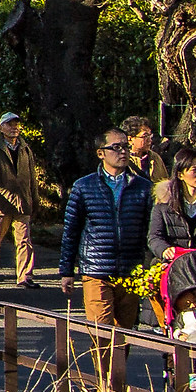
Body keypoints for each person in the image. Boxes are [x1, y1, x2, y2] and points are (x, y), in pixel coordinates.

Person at [61, 126, 153, 334]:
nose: (123, 152)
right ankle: (103, 359)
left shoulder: (143, 187)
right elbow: (71, 231)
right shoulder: (84, 186)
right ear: (100, 153)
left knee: (125, 333)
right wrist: (66, 271)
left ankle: (118, 359)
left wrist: (149, 266)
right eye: (116, 147)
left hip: (131, 270)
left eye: (126, 147)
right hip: (96, 269)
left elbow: (150, 229)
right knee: (101, 331)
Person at [0, 112, 42, 287]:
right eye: (10, 124)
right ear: (1, 128)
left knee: (24, 241)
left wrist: (34, 200)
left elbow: (32, 179)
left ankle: (24, 277)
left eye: (16, 124)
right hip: (0, 202)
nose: (14, 128)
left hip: (22, 202)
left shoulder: (26, 149)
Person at [147, 144, 196, 326]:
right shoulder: (164, 204)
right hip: (175, 270)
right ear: (180, 174)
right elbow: (154, 237)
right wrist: (165, 250)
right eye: (194, 170)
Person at [126, 116, 170, 186]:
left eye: (150, 136)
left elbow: (165, 183)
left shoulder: (155, 158)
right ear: (130, 139)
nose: (150, 140)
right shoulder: (123, 161)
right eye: (145, 136)